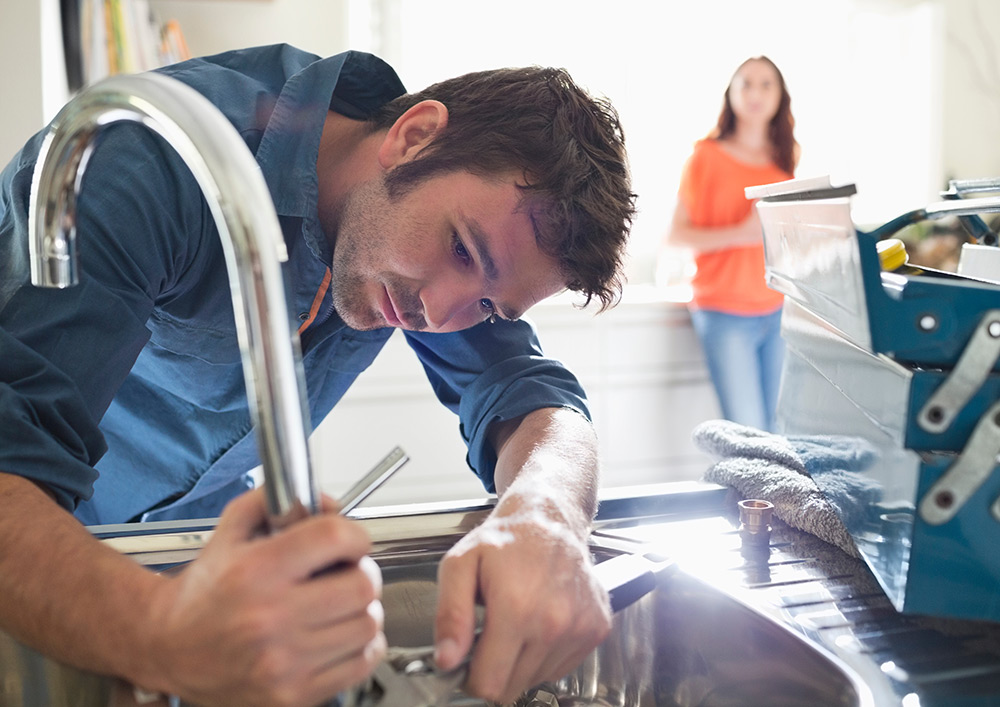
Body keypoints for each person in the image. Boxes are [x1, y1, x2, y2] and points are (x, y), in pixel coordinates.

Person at [0, 45, 635, 706]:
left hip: (191, 529)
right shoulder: (148, 163)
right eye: (459, 248)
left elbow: (535, 397)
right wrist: (161, 630)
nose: (439, 312)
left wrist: (549, 511)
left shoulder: (435, 236)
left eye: (487, 305)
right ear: (414, 137)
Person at [665, 55, 798, 433]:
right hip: (724, 312)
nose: (755, 93)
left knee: (778, 432)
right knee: (749, 434)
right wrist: (742, 233)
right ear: (731, 94)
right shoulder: (705, 157)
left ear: (780, 96)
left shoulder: (785, 160)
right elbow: (676, 235)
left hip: (777, 310)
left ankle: (777, 497)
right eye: (746, 83)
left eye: (766, 84)